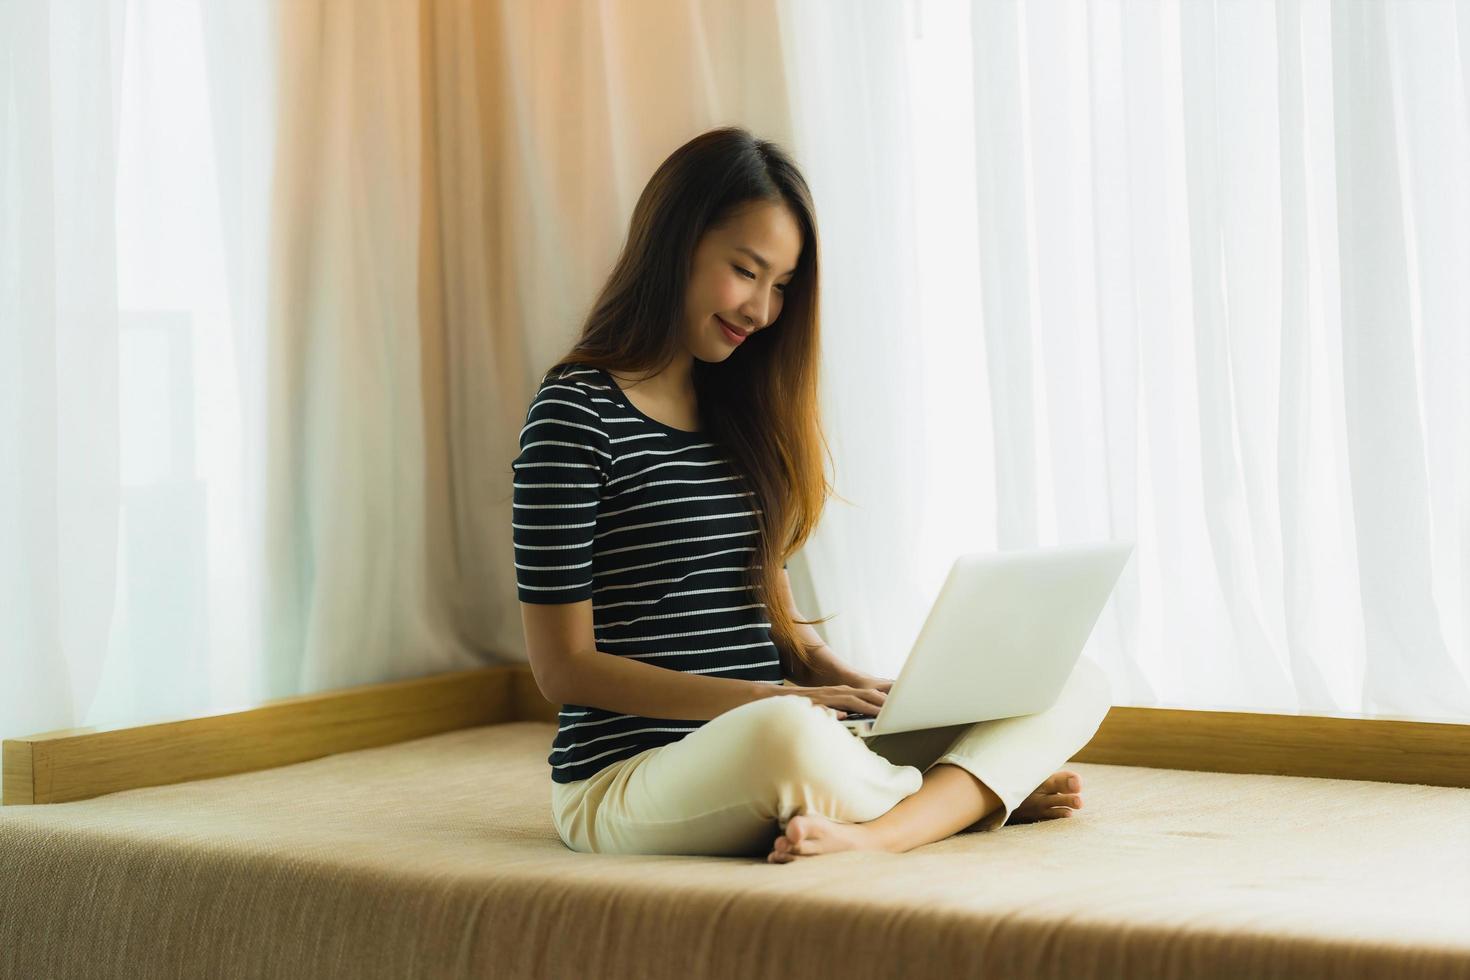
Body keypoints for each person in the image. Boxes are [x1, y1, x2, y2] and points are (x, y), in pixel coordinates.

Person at [512, 126, 1112, 863]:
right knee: (787, 737)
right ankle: (964, 799)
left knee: (1067, 678)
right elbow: (561, 669)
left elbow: (775, 615)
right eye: (746, 270)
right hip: (629, 778)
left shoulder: (735, 409)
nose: (762, 311)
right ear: (675, 243)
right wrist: (770, 701)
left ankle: (888, 819)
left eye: (782, 287)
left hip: (771, 733)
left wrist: (857, 684)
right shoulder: (575, 411)